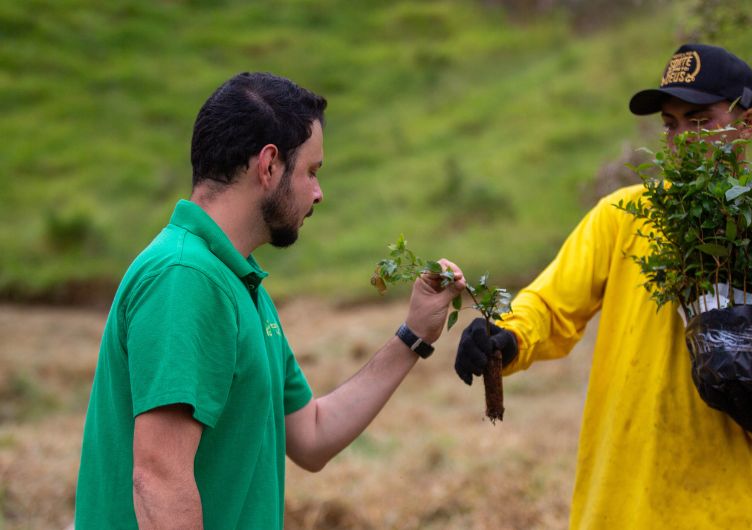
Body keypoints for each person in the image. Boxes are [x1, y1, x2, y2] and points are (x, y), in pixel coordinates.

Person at [74, 72, 466, 529]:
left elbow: (312, 435)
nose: (319, 192)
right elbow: (160, 477)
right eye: (312, 172)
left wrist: (414, 335)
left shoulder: (238, 284)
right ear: (269, 166)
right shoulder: (184, 278)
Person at [455, 44, 752, 529]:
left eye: (700, 121)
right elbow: (549, 306)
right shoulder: (625, 217)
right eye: (671, 125)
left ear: (748, 123)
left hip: (719, 510)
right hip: (615, 503)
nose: (681, 139)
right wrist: (508, 337)